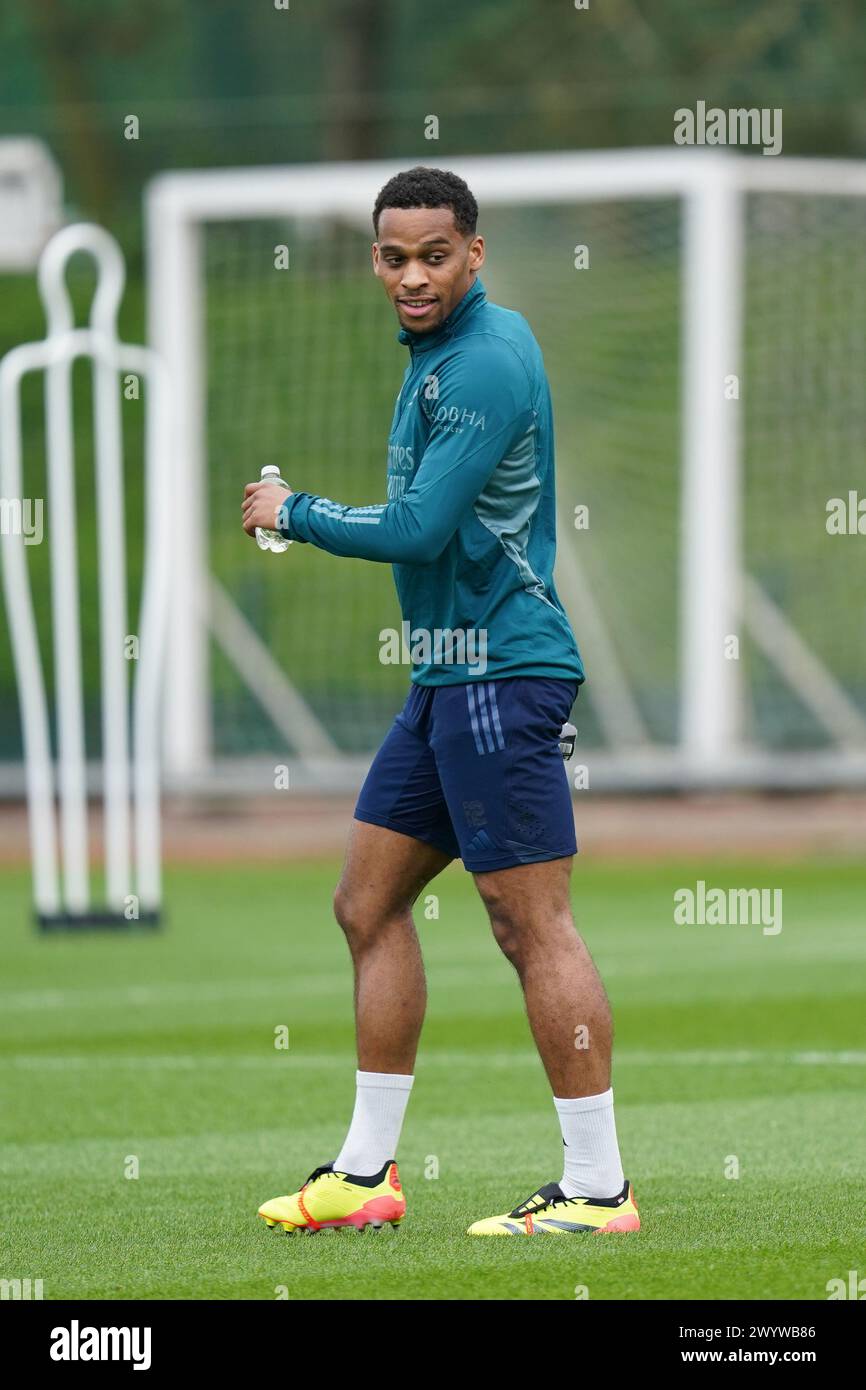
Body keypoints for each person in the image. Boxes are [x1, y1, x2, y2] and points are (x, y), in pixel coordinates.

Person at [242, 166, 639, 1237]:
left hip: (501, 672)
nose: (410, 275)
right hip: (445, 676)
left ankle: (598, 1189)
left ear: (474, 252)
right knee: (366, 905)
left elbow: (417, 528)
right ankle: (366, 1175)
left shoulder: (485, 362)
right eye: (391, 255)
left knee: (529, 923)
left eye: (431, 254)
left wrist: (297, 511)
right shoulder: (434, 357)